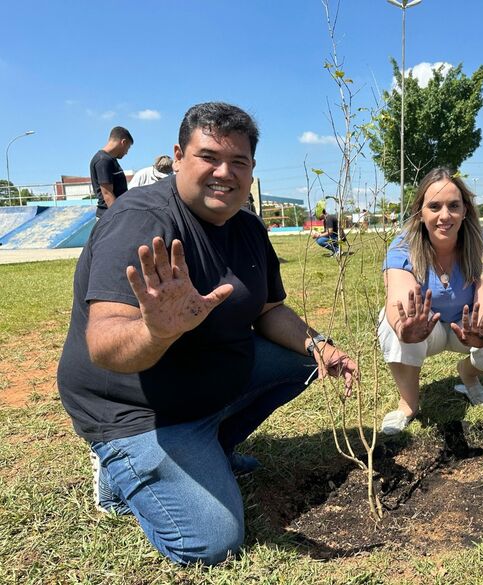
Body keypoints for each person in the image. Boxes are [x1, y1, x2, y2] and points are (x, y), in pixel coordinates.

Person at [57, 102, 357, 565]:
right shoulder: (142, 222)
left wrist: (320, 345)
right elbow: (104, 345)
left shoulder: (249, 228)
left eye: (239, 162)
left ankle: (212, 447)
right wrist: (157, 331)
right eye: (209, 157)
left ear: (252, 169)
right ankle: (118, 472)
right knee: (211, 543)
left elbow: (270, 311)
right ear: (177, 156)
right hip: (137, 409)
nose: (225, 173)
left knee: (304, 358)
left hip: (207, 379)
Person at [378, 167, 483, 435]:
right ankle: (408, 404)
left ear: (465, 210)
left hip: (466, 327)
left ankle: (469, 373)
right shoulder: (403, 246)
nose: (444, 215)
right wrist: (405, 328)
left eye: (453, 206)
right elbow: (398, 301)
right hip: (428, 331)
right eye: (434, 206)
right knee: (391, 326)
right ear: (420, 213)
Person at [90, 126, 133, 218]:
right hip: (109, 218)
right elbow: (107, 194)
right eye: (127, 148)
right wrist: (119, 218)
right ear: (123, 142)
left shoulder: (111, 160)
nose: (126, 152)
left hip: (113, 215)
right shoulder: (103, 160)